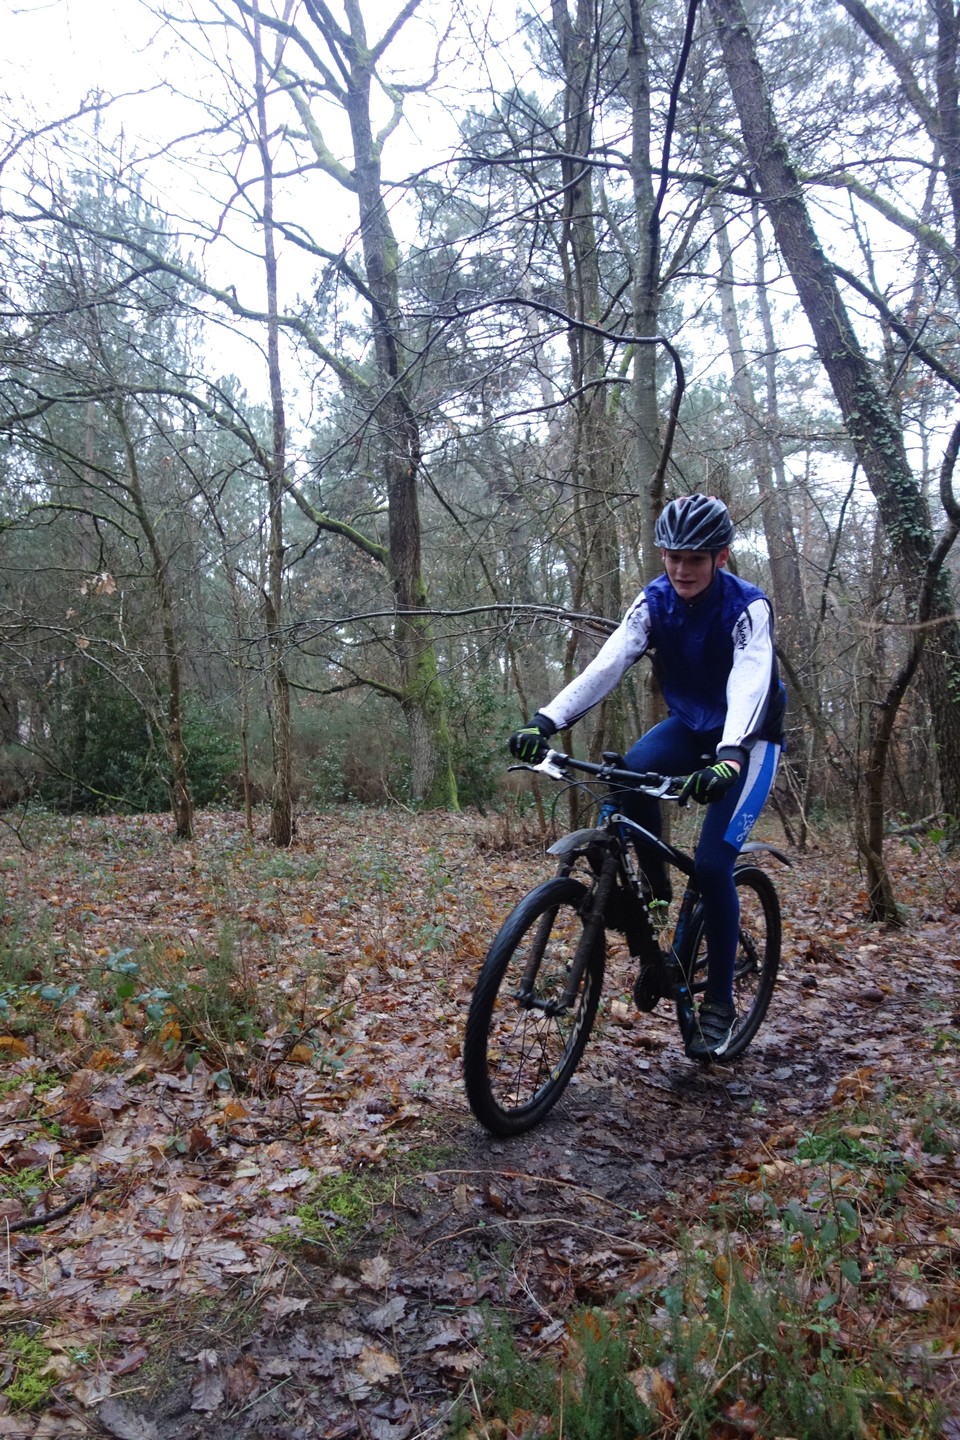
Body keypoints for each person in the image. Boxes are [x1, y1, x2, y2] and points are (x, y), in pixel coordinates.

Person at [508, 493, 786, 1061]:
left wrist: (730, 755)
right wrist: (546, 720)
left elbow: (750, 682)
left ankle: (720, 1003)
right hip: (691, 726)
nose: (682, 569)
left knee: (713, 866)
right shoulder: (654, 601)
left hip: (750, 739)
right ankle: (656, 893)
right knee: (629, 774)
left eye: (696, 559)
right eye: (673, 557)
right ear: (662, 555)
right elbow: (608, 663)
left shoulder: (747, 607)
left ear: (721, 557)